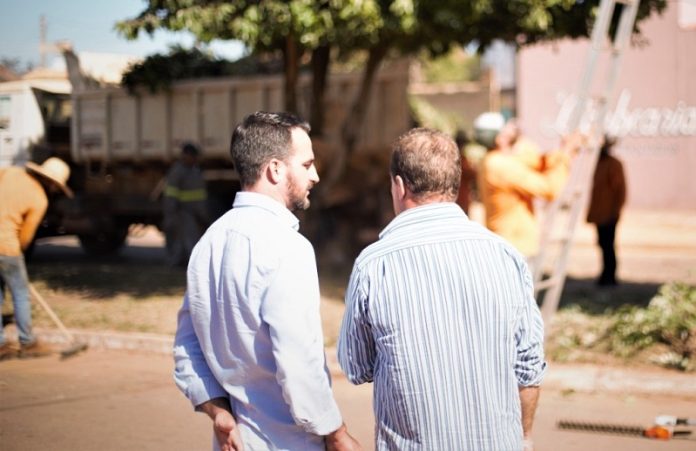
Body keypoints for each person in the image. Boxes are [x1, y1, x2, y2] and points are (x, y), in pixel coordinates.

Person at [338, 128, 546, 450]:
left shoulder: (373, 265)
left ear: (399, 185)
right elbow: (529, 366)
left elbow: (356, 366)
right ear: (454, 183)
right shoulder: (506, 256)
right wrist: (524, 438)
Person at [173, 112, 360, 451]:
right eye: (306, 165)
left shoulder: (209, 243)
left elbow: (187, 346)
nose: (315, 176)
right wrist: (336, 433)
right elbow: (298, 361)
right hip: (289, 442)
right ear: (275, 169)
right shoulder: (288, 247)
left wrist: (218, 411)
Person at [476, 113, 582, 258]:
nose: (513, 127)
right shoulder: (499, 166)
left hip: (513, 244)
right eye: (507, 127)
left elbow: (538, 161)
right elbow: (549, 189)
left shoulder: (498, 160)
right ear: (500, 138)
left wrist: (564, 151)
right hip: (514, 247)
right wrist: (565, 155)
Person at [0, 157, 73, 360]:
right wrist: (18, 252)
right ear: (52, 183)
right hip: (7, 246)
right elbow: (26, 236)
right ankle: (27, 342)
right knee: (20, 293)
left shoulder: (10, 173)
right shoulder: (39, 199)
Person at [587, 136, 626, 286]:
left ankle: (610, 276)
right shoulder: (598, 164)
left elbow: (619, 190)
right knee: (602, 244)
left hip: (610, 214)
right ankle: (605, 274)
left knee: (608, 245)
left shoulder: (614, 164)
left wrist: (615, 212)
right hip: (599, 214)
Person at [163, 142, 210, 267]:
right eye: (193, 156)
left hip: (195, 214)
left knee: (189, 242)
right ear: (186, 156)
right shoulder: (178, 171)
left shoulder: (195, 171)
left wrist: (203, 215)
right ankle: (178, 265)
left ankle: (182, 264)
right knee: (186, 242)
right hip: (183, 213)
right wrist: (172, 216)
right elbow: (171, 196)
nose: (195, 159)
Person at [454, 129, 477, 215]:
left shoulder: (459, 158)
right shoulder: (460, 160)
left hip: (459, 198)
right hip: (460, 199)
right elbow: (472, 173)